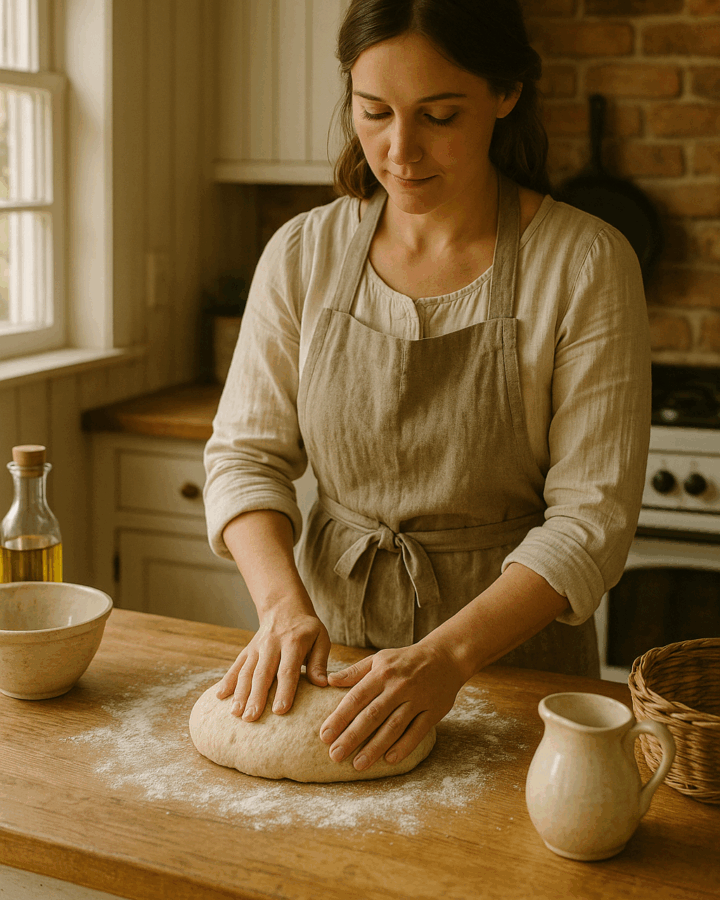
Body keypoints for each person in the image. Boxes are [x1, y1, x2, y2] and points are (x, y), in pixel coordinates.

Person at [203, 0, 651, 774]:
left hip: (513, 672)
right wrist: (282, 609)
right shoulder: (302, 253)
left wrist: (446, 658)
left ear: (507, 94)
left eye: (439, 115)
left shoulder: (584, 264)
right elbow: (244, 457)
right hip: (332, 662)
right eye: (373, 112)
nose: (400, 151)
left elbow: (589, 522)